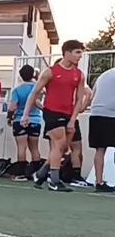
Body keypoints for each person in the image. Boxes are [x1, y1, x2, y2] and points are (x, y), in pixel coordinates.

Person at [23, 40, 87, 191]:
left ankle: (41, 174)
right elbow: (34, 93)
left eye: (81, 53)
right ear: (67, 53)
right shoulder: (50, 72)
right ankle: (54, 181)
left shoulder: (79, 75)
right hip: (52, 112)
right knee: (59, 144)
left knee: (63, 149)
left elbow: (79, 99)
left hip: (69, 114)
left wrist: (72, 119)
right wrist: (25, 114)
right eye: (77, 52)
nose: (80, 56)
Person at [7, 65, 43, 181]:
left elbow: (12, 107)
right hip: (36, 120)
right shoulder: (39, 89)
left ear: (21, 76)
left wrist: (9, 118)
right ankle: (36, 173)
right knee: (34, 148)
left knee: (21, 147)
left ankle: (21, 173)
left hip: (20, 120)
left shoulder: (17, 90)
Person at [87, 66, 115, 192]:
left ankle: (98, 182)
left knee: (100, 149)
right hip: (112, 114)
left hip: (96, 113)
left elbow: (93, 94)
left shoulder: (104, 75)